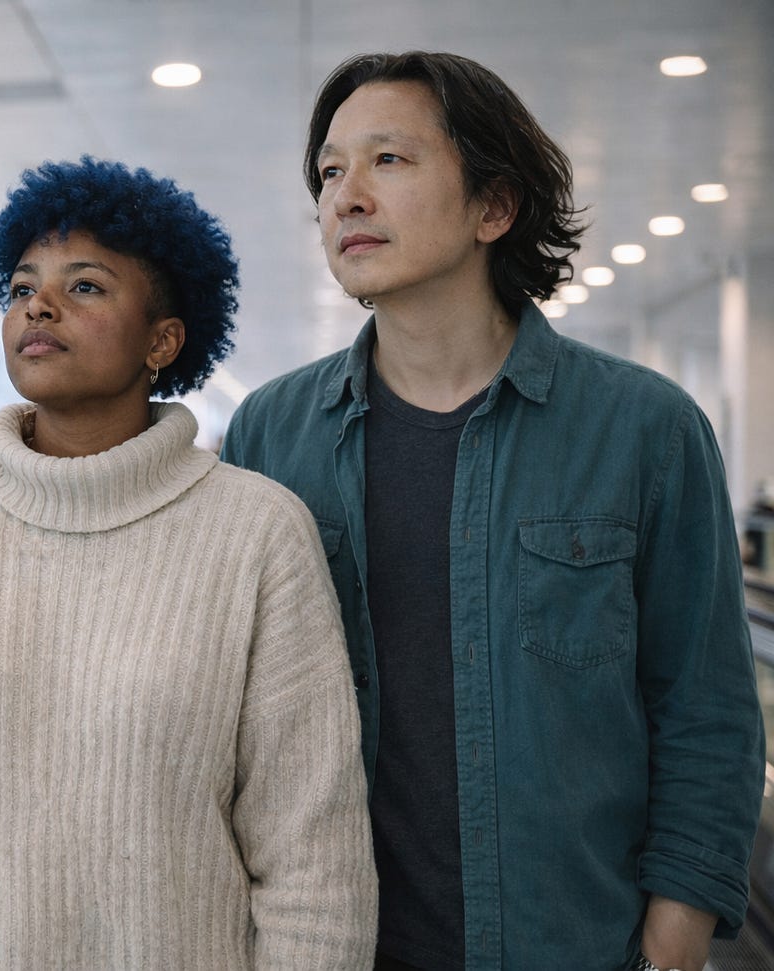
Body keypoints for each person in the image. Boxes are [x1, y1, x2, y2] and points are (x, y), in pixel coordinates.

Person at [221, 51, 765, 970]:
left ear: (494, 207)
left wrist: (674, 940)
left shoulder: (643, 430)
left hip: (573, 943)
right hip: (338, 947)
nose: (345, 195)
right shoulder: (273, 435)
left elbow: (704, 708)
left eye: (388, 160)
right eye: (328, 171)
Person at [0, 156, 376, 968]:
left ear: (163, 340)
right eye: (23, 285)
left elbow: (313, 861)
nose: (39, 304)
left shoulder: (256, 531)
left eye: (87, 287)